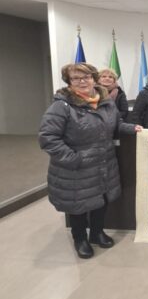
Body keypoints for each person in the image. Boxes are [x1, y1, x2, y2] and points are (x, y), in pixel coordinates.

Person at [39, 63, 142, 259]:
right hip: (76, 167)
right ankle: (80, 239)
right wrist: (73, 159)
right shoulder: (62, 106)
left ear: (94, 79)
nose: (82, 81)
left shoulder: (106, 102)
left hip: (104, 163)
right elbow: (48, 138)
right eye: (75, 78)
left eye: (86, 77)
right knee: (78, 204)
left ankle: (97, 233)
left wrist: (132, 128)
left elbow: (116, 124)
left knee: (101, 200)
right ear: (69, 82)